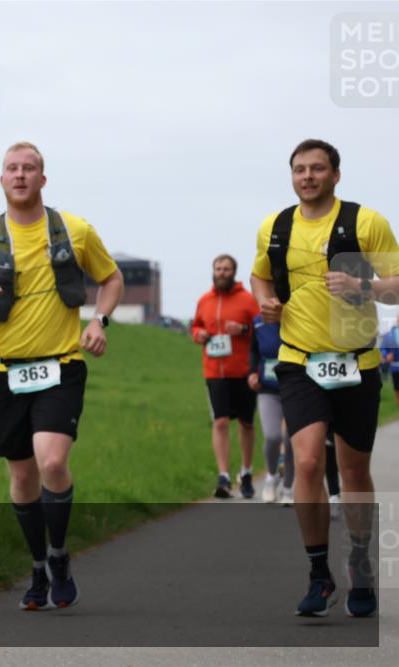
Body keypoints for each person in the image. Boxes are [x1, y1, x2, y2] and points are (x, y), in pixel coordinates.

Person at [0, 142, 123, 610]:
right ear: (1, 180)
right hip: (3, 373)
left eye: (29, 168)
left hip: (60, 366)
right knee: (22, 475)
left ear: (43, 179)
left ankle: (60, 555)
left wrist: (99, 321)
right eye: (12, 168)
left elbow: (111, 279)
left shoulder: (75, 231)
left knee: (52, 462)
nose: (20, 175)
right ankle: (38, 565)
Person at [251, 138, 398, 618]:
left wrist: (363, 285)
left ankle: (359, 561)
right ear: (292, 175)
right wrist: (265, 301)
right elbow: (260, 276)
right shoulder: (276, 227)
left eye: (317, 169)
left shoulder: (365, 222)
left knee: (353, 470)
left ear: (335, 174)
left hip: (357, 362)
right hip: (299, 361)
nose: (308, 176)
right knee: (309, 462)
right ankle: (319, 573)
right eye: (300, 169)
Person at [191, 256, 260, 499]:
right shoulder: (204, 300)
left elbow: (261, 329)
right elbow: (195, 326)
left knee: (246, 423)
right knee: (220, 422)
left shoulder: (247, 300)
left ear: (234, 272)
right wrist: (198, 334)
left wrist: (243, 329)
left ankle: (246, 472)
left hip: (242, 371)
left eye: (226, 269)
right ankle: (224, 476)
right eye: (218, 268)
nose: (221, 272)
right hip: (215, 371)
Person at [247, 314, 294, 504]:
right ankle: (271, 477)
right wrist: (252, 372)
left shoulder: (298, 316)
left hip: (295, 388)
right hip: (268, 388)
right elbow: (253, 350)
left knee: (291, 440)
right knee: (273, 436)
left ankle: (288, 488)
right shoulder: (258, 322)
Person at [380, 314, 399, 407]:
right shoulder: (388, 335)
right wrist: (386, 355)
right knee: (397, 389)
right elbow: (382, 348)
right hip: (395, 366)